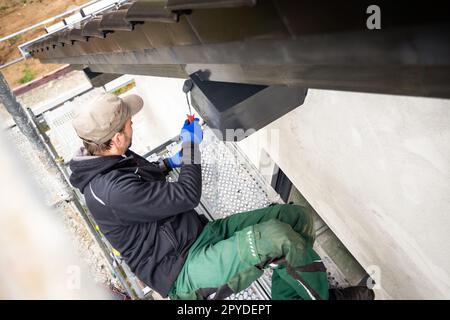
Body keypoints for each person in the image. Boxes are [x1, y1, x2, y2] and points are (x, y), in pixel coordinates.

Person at [69, 93, 374, 300]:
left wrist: (167, 163)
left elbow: (140, 187)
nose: (132, 123)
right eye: (129, 122)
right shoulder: (109, 191)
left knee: (295, 218)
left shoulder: (108, 159)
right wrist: (190, 149)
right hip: (183, 272)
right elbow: (187, 195)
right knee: (277, 237)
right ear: (118, 137)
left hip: (199, 235)